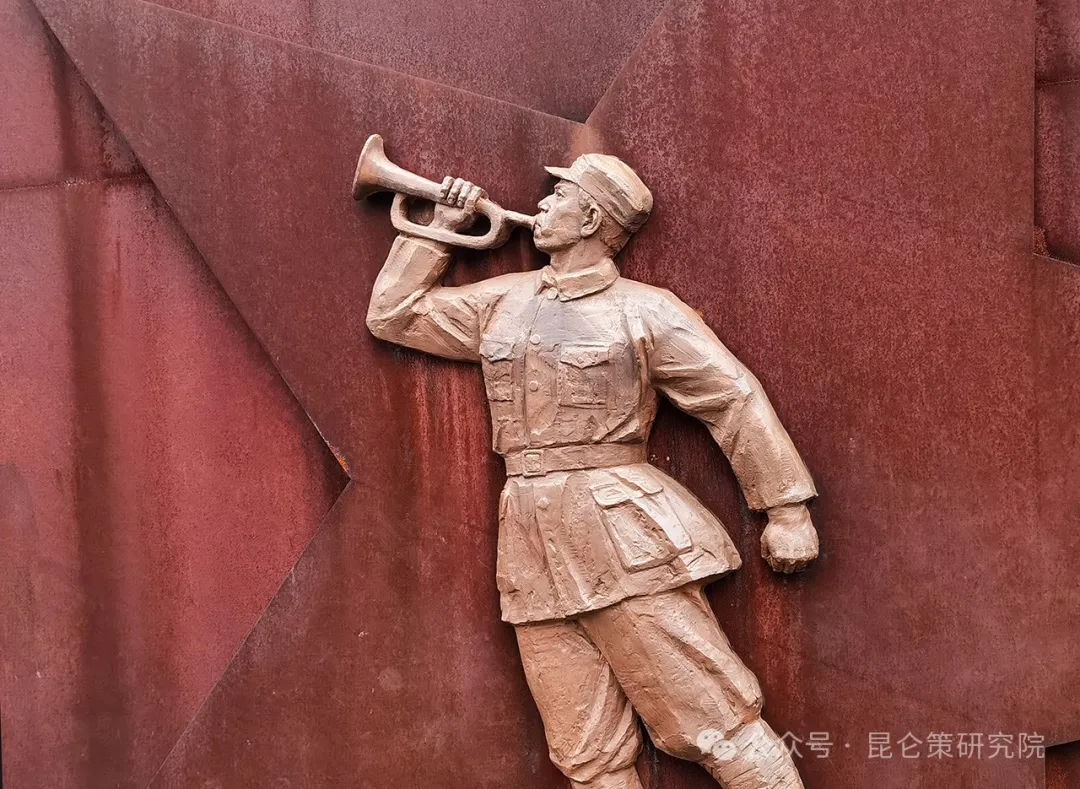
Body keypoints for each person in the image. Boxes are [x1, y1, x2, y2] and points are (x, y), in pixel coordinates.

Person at [366, 153, 819, 789]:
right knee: (587, 754)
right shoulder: (504, 301)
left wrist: (785, 509)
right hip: (529, 543)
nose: (541, 205)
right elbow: (394, 316)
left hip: (622, 536)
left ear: (591, 220)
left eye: (559, 197)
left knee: (715, 721)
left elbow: (731, 398)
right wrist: (437, 230)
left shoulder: (647, 310)